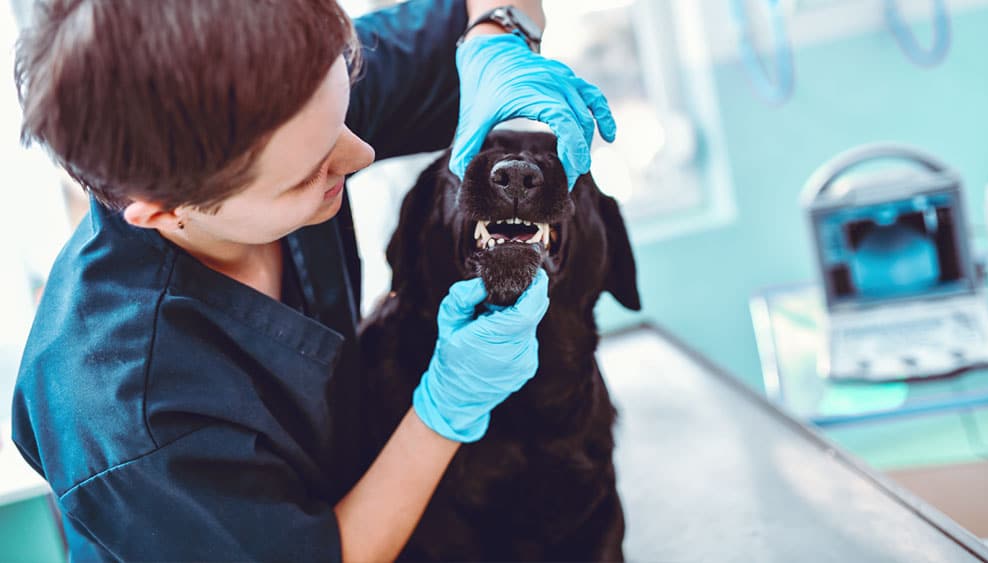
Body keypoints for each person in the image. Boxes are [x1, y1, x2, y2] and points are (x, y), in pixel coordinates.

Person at [10, 0, 615, 560]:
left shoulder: (281, 90)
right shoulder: (120, 416)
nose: (360, 157)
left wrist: (497, 41)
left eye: (342, 111)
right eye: (310, 173)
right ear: (167, 210)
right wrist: (447, 407)